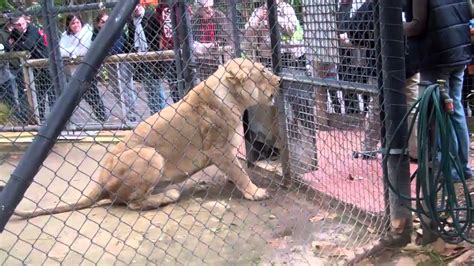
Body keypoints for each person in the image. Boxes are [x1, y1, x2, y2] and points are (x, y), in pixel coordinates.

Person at [415, 0, 472, 181]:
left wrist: (394, 29)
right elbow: (470, 11)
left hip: (439, 55)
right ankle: (464, 167)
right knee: (456, 109)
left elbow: (418, 25)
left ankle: (451, 170)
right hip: (460, 53)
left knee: (443, 111)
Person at [59, 14, 107, 123]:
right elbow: (61, 51)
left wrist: (71, 53)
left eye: (77, 22)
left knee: (92, 96)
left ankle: (102, 119)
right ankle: (66, 122)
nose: (75, 25)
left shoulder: (87, 33)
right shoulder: (65, 36)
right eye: (72, 23)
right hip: (70, 72)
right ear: (69, 25)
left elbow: (85, 50)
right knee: (72, 97)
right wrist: (73, 53)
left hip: (86, 70)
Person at [92, 11, 138, 123]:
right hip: (110, 64)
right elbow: (94, 47)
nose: (106, 24)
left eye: (108, 21)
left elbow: (117, 47)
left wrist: (104, 50)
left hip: (123, 62)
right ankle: (125, 111)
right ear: (98, 24)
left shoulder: (117, 30)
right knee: (116, 89)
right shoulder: (96, 34)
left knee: (126, 87)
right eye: (103, 22)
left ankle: (131, 114)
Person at [126, 3, 167, 115]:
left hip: (153, 57)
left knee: (157, 87)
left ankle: (162, 113)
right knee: (149, 89)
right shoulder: (131, 22)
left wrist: (158, 53)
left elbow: (159, 34)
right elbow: (130, 40)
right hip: (140, 59)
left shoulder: (150, 16)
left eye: (137, 5)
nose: (135, 9)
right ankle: (155, 113)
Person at [9, 15, 52, 122]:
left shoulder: (32, 29)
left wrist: (16, 44)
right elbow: (8, 45)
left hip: (44, 63)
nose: (22, 26)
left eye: (23, 23)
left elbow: (28, 45)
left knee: (52, 93)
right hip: (34, 68)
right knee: (39, 95)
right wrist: (17, 44)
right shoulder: (15, 32)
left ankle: (56, 118)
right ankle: (40, 120)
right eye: (18, 25)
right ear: (14, 26)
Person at [244, 0, 305, 69]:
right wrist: (258, 19)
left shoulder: (286, 8)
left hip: (290, 54)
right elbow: (248, 33)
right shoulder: (259, 11)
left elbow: (291, 29)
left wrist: (274, 17)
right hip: (268, 56)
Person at [191, 0, 234, 79]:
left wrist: (215, 44)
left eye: (211, 7)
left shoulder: (219, 16)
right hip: (202, 59)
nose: (209, 10)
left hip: (219, 56)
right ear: (199, 10)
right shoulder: (195, 19)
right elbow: (193, 38)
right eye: (206, 8)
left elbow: (224, 38)